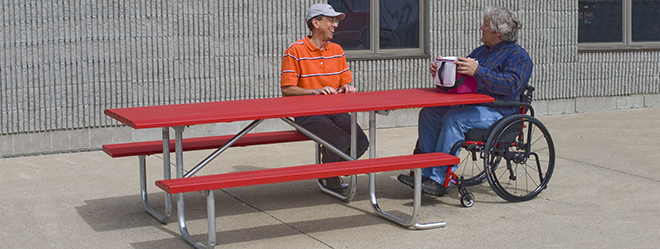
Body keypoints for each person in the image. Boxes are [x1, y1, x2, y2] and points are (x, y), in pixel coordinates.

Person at [397, 6, 533, 196]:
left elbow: (511, 85)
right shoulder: (481, 52)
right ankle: (425, 173)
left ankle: (439, 179)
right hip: (473, 107)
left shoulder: (518, 56)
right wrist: (443, 73)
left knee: (455, 118)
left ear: (498, 32)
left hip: (500, 112)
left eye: (485, 25)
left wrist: (479, 71)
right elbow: (464, 80)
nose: (481, 28)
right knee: (429, 114)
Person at [280, 3, 369, 195]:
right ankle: (329, 175)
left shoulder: (337, 50)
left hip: (336, 110)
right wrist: (314, 92)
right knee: (341, 141)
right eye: (330, 20)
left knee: (361, 142)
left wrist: (347, 88)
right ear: (316, 23)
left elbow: (346, 83)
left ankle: (328, 168)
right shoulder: (295, 50)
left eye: (336, 21)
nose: (335, 25)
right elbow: (287, 89)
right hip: (307, 113)